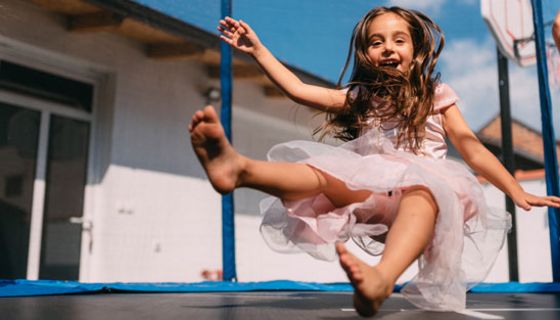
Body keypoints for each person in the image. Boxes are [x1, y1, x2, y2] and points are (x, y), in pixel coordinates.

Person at [189, 6, 560, 317]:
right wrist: (258, 50)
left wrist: (513, 188)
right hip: (376, 195)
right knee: (323, 175)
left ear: (416, 52)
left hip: (428, 201)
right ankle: (241, 169)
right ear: (365, 55)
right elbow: (299, 91)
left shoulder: (435, 94)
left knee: (423, 191)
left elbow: (471, 146)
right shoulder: (361, 98)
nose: (387, 48)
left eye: (399, 40)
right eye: (376, 42)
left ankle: (380, 279)